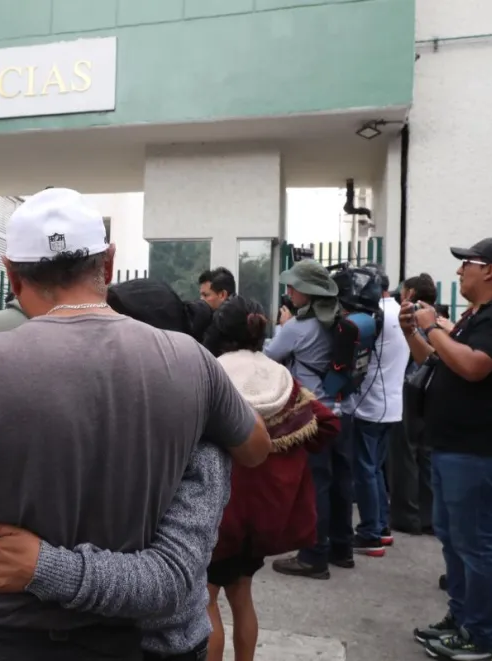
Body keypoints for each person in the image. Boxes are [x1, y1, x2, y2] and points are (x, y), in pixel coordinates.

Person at [0, 187, 270, 661]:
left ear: (10, 273)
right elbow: (256, 447)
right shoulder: (190, 362)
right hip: (119, 642)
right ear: (108, 263)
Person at [0, 284, 266, 661]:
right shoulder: (78, 412)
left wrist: (42, 566)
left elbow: (170, 580)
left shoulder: (201, 443)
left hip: (156, 647)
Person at [406, 238, 492, 661]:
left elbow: (474, 366)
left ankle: (483, 638)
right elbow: (435, 361)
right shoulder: (476, 316)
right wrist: (413, 332)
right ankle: (462, 618)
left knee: (478, 546)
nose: (460, 270)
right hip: (454, 445)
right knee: (455, 540)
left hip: (481, 451)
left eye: (468, 263)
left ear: (491, 270)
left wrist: (431, 327)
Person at [202, 297, 340, 661]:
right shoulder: (282, 380)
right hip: (264, 516)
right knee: (242, 596)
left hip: (218, 514)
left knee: (205, 601)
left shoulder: (212, 375)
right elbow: (326, 424)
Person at [264, 259, 353, 579]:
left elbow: (270, 356)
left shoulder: (297, 327)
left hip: (314, 414)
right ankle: (342, 548)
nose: (289, 292)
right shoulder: (341, 319)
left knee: (316, 485)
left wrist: (282, 326)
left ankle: (314, 555)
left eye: (294, 287)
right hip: (344, 411)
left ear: (309, 293)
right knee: (341, 482)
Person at [350, 264, 410, 556]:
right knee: (375, 470)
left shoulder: (377, 316)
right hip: (392, 403)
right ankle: (381, 527)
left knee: (366, 470)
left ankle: (370, 532)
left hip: (371, 403)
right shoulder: (400, 312)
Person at [389, 273, 438, 534]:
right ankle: (429, 516)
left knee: (405, 452)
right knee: (427, 452)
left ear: (409, 294)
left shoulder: (411, 317)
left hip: (410, 387)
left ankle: (407, 515)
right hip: (433, 390)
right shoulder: (438, 317)